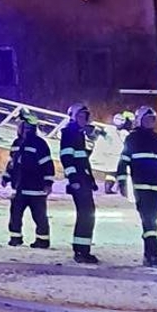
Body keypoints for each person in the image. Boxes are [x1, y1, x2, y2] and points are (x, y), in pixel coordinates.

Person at [115, 106, 157, 267]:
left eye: (152, 119)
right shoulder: (133, 139)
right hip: (141, 186)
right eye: (147, 119)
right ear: (139, 120)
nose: (150, 122)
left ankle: (150, 252)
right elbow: (124, 161)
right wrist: (122, 182)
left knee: (152, 219)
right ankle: (153, 251)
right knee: (148, 219)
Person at [1, 109, 54, 249]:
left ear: (28, 127)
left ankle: (42, 240)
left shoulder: (39, 144)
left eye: (20, 125)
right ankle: (15, 238)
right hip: (19, 188)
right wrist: (6, 177)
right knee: (15, 215)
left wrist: (48, 183)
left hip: (36, 189)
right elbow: (12, 163)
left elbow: (47, 164)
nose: (18, 128)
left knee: (39, 216)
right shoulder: (17, 143)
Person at [58, 103, 100, 263]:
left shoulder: (78, 134)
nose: (84, 119)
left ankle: (83, 250)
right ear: (73, 117)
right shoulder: (69, 133)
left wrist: (91, 179)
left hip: (84, 180)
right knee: (86, 215)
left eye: (85, 116)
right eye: (80, 116)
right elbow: (66, 157)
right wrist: (73, 179)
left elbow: (84, 159)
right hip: (78, 181)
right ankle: (81, 252)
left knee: (88, 215)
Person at [103, 111, 137, 194]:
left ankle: (108, 188)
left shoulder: (111, 130)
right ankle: (123, 190)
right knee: (122, 173)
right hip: (120, 156)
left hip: (111, 155)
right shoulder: (125, 133)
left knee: (112, 173)